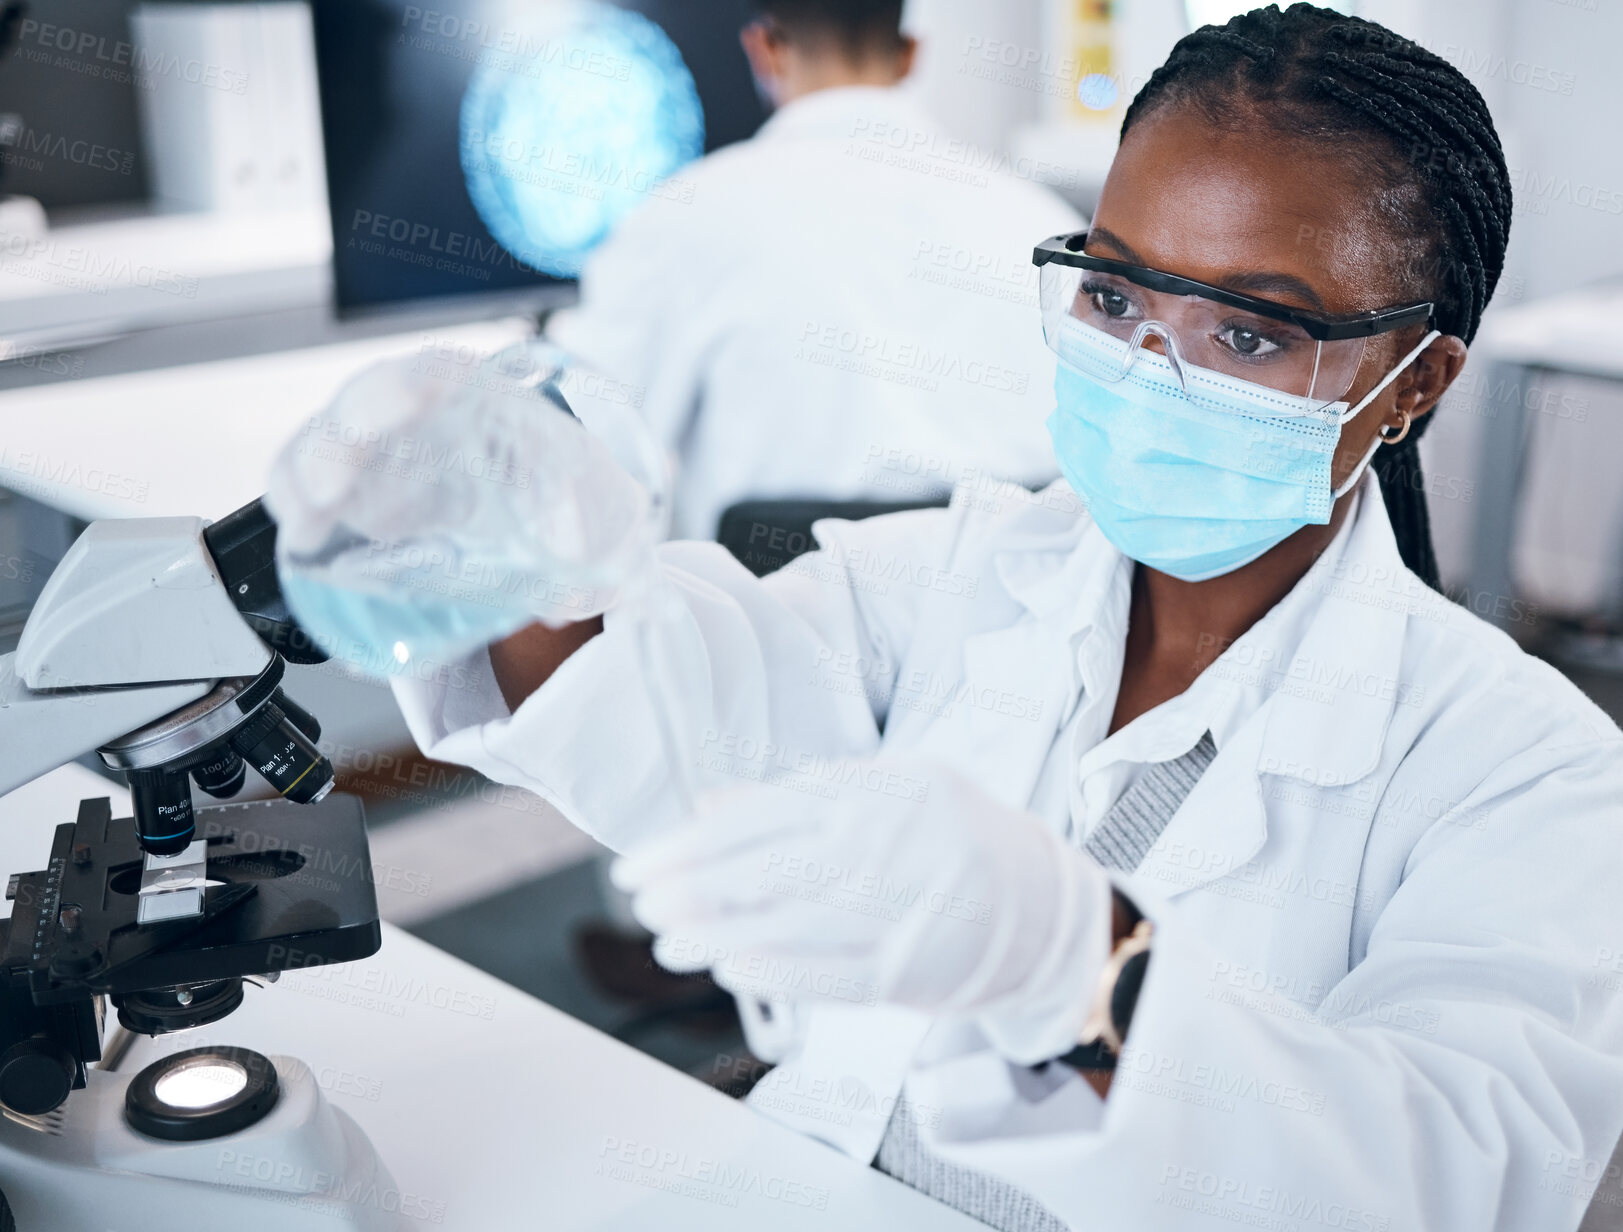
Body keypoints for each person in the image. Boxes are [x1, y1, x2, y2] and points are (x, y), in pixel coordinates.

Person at [386, 5, 1623, 1227]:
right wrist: (518, 548)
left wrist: (1076, 967)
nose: (1151, 372)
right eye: (1116, 298)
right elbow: (662, 709)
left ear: (1418, 380)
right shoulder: (950, 571)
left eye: (1248, 332)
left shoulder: (1526, 772)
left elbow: (1454, 1179)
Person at [544, 0, 1081, 540]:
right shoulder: (1041, 225)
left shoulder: (683, 215)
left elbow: (578, 449)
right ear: (910, 55)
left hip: (763, 616)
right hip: (1010, 614)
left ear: (765, 49)